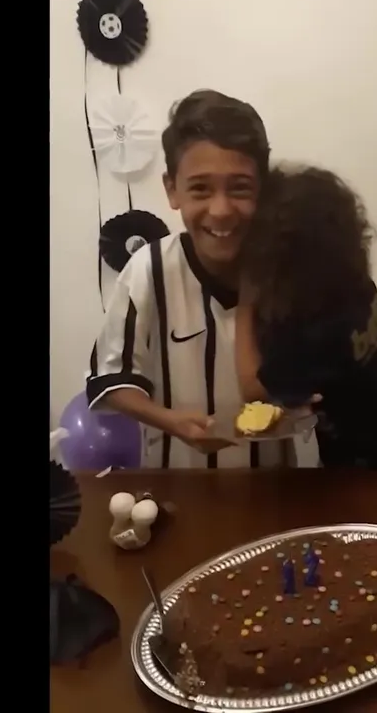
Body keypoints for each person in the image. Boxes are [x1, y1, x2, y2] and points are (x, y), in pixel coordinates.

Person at [85, 89, 294, 469]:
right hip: (178, 485)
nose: (221, 210)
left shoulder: (287, 271)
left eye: (240, 188)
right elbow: (109, 381)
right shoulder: (148, 270)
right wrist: (169, 421)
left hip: (274, 485)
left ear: (263, 189)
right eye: (200, 188)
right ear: (172, 189)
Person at [234, 164, 377, 470]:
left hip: (365, 470)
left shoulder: (319, 333)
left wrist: (245, 299)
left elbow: (252, 389)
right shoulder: (357, 286)